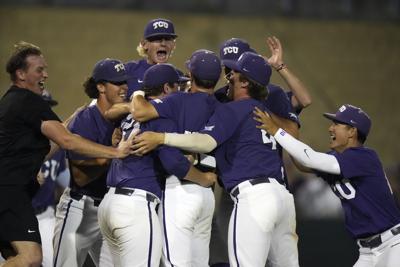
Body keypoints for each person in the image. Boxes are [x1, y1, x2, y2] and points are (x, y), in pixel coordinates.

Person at [133, 52, 300, 267]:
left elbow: (205, 142)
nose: (230, 76)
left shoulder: (226, 108)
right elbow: (297, 126)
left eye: (235, 74)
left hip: (219, 192)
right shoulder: (260, 112)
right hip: (278, 196)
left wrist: (161, 137)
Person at [0, 42, 134, 267]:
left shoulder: (14, 101)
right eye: (39, 70)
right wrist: (115, 152)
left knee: (17, 259)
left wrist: (68, 121)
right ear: (21, 74)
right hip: (10, 192)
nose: (46, 74)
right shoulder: (28, 100)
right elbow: (67, 141)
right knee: (31, 258)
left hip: (14, 191)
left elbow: (51, 144)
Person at [97, 62, 217, 267]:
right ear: (167, 89)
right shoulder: (160, 117)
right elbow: (173, 162)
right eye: (177, 86)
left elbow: (111, 114)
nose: (181, 90)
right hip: (135, 206)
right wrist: (203, 178)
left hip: (110, 202)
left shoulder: (128, 117)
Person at [254, 104, 400, 267]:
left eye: (337, 124)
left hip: (392, 245)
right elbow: (304, 164)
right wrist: (289, 132)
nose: (331, 128)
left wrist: (277, 131)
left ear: (352, 131)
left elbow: (309, 159)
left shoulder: (365, 157)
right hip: (366, 251)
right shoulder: (337, 158)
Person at [131, 50, 221, 266]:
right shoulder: (222, 107)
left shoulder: (178, 100)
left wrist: (137, 93)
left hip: (180, 188)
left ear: (190, 74)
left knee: (175, 263)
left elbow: (140, 112)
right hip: (208, 195)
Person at [53, 58, 133, 267]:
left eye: (125, 81)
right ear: (100, 87)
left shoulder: (123, 118)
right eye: (117, 82)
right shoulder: (85, 118)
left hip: (111, 210)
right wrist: (112, 154)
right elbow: (79, 177)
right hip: (81, 205)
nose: (123, 87)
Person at [104, 18, 179, 120]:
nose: (163, 44)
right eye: (157, 39)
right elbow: (108, 110)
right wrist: (133, 106)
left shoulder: (178, 76)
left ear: (173, 45)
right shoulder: (127, 70)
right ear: (144, 44)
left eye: (168, 39)